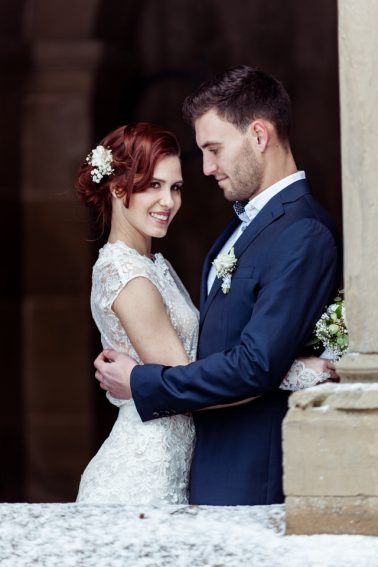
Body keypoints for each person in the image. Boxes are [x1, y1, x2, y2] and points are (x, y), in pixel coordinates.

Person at [93, 66, 342, 506]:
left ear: (259, 137)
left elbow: (254, 364)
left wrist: (141, 383)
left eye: (213, 149)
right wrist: (300, 370)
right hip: (192, 465)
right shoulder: (238, 229)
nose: (206, 168)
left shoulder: (303, 232)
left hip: (247, 471)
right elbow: (232, 354)